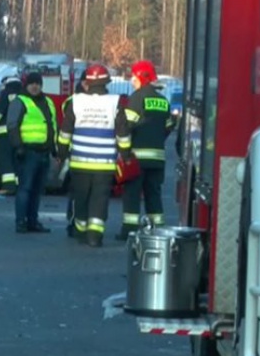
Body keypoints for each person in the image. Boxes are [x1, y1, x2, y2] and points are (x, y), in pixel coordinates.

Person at [57, 64, 130, 247]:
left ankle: (80, 231)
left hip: (80, 162)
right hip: (104, 164)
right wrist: (126, 154)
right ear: (106, 82)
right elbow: (123, 135)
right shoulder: (115, 103)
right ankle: (94, 236)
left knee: (81, 197)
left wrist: (62, 153)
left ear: (87, 82)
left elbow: (65, 132)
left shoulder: (76, 101)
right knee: (99, 199)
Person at [116, 60, 176, 241]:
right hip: (157, 159)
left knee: (132, 195)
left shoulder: (136, 99)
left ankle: (130, 230)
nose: (132, 80)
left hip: (137, 158)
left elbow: (125, 128)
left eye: (134, 76)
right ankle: (157, 231)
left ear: (142, 77)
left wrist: (125, 153)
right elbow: (169, 126)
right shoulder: (163, 101)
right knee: (154, 195)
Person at [6, 72, 58, 233]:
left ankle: (33, 221)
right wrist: (18, 146)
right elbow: (12, 125)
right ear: (26, 85)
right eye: (32, 83)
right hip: (28, 152)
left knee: (37, 190)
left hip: (44, 153)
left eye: (38, 83)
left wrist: (54, 148)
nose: (35, 86)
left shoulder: (48, 101)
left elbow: (52, 125)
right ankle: (21, 222)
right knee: (25, 188)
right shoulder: (19, 101)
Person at [0, 76, 23, 197]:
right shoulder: (24, 96)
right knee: (16, 161)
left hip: (4, 134)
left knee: (6, 160)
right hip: (20, 135)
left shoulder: (6, 93)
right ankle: (19, 186)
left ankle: (8, 187)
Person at [63, 69, 87, 234]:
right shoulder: (73, 101)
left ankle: (84, 224)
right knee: (76, 190)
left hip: (94, 151)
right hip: (77, 151)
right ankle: (73, 222)